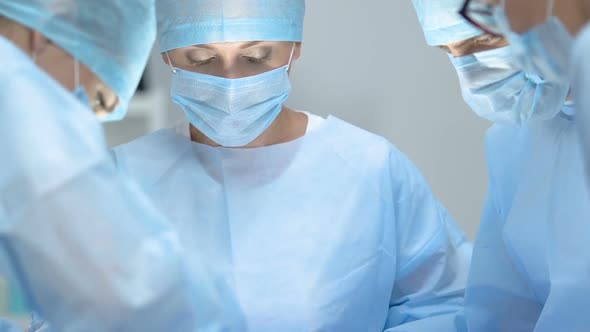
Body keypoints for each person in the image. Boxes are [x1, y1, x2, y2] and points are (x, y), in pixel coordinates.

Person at [111, 0, 473, 330]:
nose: (230, 80)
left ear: (294, 49)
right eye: (200, 60)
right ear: (168, 57)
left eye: (255, 57)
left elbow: (440, 304)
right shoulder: (122, 179)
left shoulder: (369, 169)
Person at [0, 1, 244, 331]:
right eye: (97, 99)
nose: (83, 121)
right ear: (42, 37)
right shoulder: (13, 91)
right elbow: (135, 300)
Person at [413, 0, 590, 330]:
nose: (472, 74)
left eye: (484, 40)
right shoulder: (510, 145)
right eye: (448, 50)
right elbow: (500, 312)